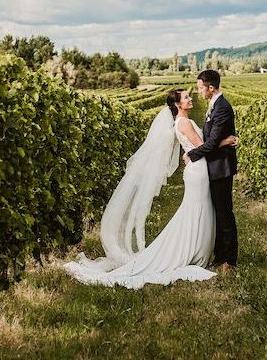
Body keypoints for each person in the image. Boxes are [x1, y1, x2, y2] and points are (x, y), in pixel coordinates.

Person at [63, 88, 238, 289]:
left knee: (199, 209)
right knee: (194, 209)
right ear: (177, 105)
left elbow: (197, 147)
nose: (191, 99)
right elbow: (204, 146)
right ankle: (190, 250)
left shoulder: (182, 121)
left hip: (197, 168)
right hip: (197, 170)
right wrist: (226, 140)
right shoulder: (184, 122)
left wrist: (193, 152)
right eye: (187, 97)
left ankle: (199, 249)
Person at [184, 69, 238, 271]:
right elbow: (213, 140)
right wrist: (223, 141)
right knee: (217, 211)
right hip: (214, 165)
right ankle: (220, 255)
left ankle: (229, 260)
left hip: (221, 168)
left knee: (224, 213)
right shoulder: (214, 105)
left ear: (211, 87)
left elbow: (212, 142)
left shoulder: (222, 107)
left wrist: (192, 155)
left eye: (200, 88)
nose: (198, 92)